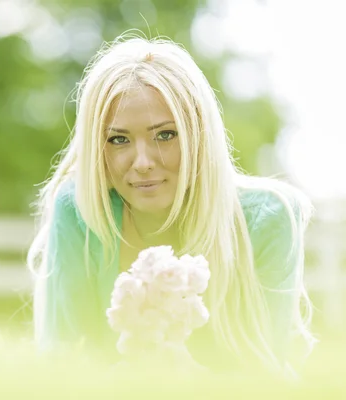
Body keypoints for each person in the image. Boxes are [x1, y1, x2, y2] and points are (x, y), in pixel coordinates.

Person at [26, 31, 316, 376]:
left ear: (199, 134)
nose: (143, 161)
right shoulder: (79, 212)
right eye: (118, 140)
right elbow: (62, 363)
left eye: (165, 135)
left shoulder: (269, 218)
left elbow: (266, 375)